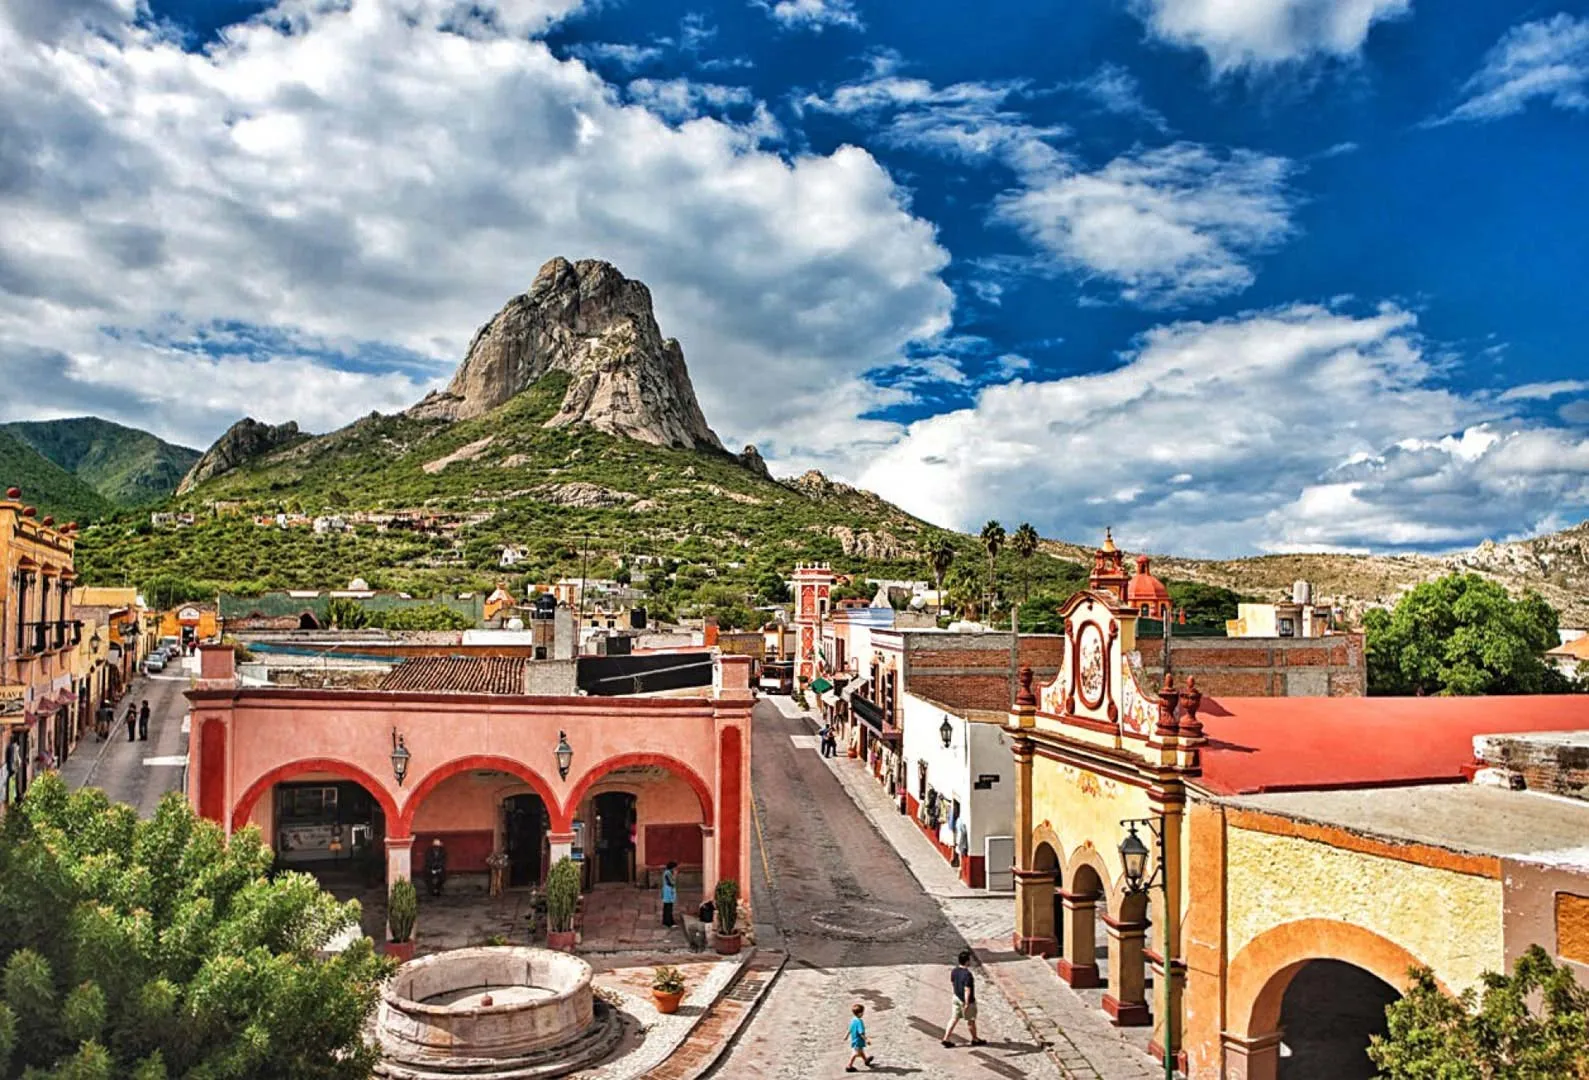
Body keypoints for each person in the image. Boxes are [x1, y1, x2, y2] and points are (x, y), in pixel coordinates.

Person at [941, 949, 984, 1048]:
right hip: (965, 1001)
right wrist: (967, 1003)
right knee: (971, 1020)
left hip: (956, 997)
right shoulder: (967, 975)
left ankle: (946, 1038)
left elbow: (952, 982)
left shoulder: (954, 971)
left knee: (954, 1018)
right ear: (967, 961)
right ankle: (975, 1039)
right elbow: (967, 990)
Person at [846, 1003, 874, 1072]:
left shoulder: (853, 1020)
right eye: (862, 1012)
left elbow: (850, 1029)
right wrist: (866, 1040)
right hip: (858, 1040)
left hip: (854, 1039)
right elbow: (861, 1033)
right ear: (859, 1013)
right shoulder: (859, 1022)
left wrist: (846, 1036)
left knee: (861, 1051)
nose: (863, 1014)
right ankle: (849, 1066)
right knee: (855, 1053)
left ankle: (866, 1060)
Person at [661, 860, 678, 927]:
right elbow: (671, 883)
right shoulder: (668, 873)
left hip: (669, 892)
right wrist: (675, 875)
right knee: (668, 908)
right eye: (675, 868)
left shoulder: (668, 873)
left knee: (668, 907)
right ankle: (668, 922)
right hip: (668, 893)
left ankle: (668, 921)